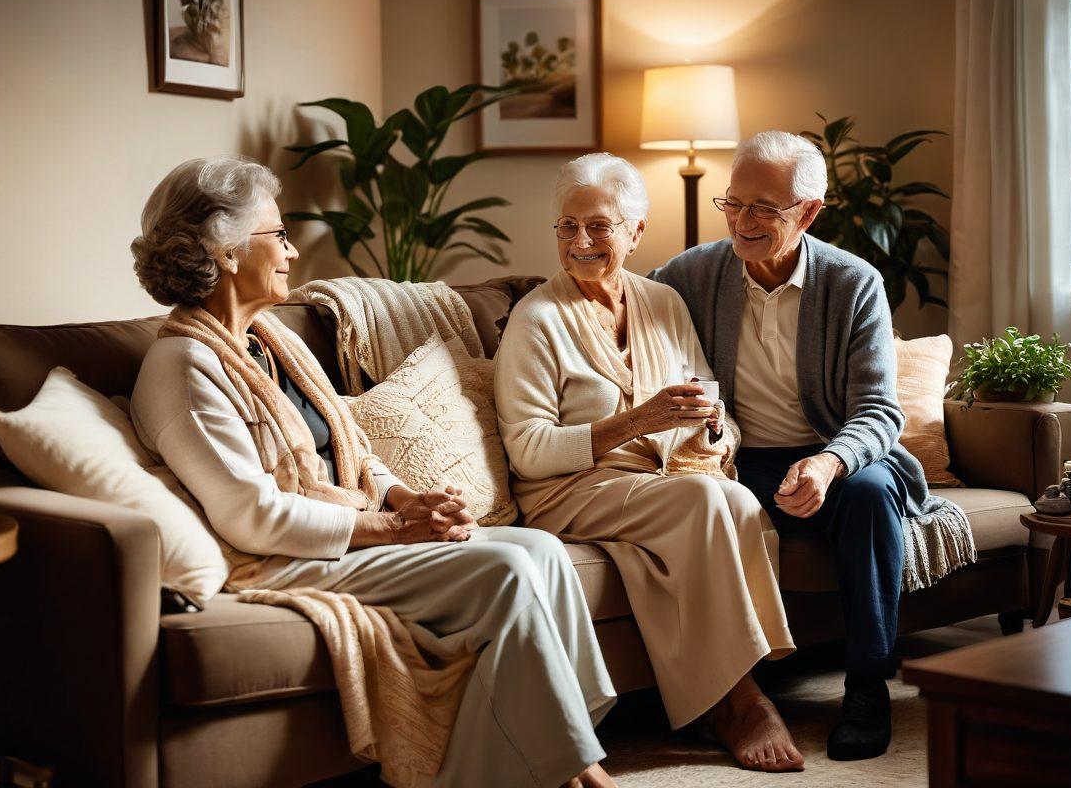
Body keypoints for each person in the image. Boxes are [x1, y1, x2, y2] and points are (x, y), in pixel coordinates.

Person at [128, 156, 618, 788]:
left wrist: (407, 499)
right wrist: (392, 529)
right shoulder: (182, 369)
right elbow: (251, 517)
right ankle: (582, 771)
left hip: (346, 528)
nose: (292, 253)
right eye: (277, 236)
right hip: (281, 557)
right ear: (225, 252)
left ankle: (525, 767)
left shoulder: (272, 339)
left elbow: (354, 446)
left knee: (543, 552)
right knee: (506, 568)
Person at [649, 130, 974, 762]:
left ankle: (867, 685)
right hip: (736, 460)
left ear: (808, 212)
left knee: (874, 493)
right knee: (689, 501)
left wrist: (829, 463)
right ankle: (730, 694)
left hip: (831, 448)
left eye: (764, 209)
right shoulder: (690, 275)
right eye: (733, 204)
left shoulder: (853, 283)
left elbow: (880, 411)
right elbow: (622, 312)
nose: (743, 223)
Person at [495, 153, 802, 774]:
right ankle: (739, 701)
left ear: (636, 232)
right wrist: (638, 422)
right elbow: (526, 449)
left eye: (600, 227)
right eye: (567, 226)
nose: (581, 242)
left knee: (736, 495)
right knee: (707, 500)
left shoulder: (664, 302)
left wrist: (716, 433)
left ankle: (732, 688)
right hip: (570, 490)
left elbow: (710, 401)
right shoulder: (536, 319)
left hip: (659, 479)